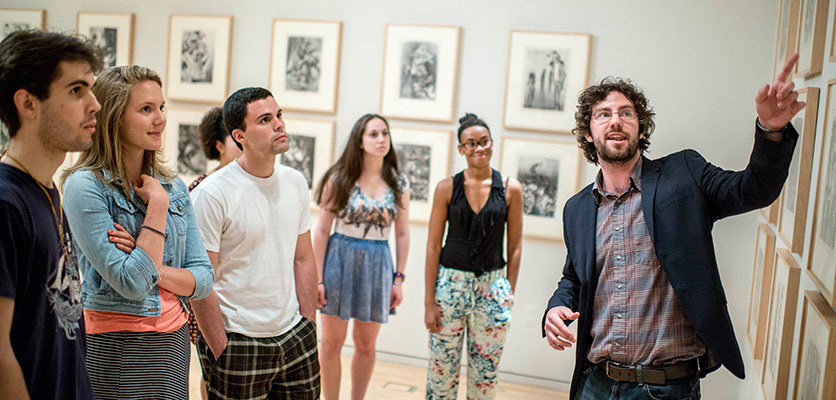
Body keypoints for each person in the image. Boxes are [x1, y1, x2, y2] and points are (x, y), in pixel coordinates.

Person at [542, 55, 805, 400]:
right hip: (597, 385)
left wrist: (771, 130)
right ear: (589, 133)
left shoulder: (685, 174)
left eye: (626, 113)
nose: (615, 121)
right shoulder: (577, 209)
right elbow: (574, 278)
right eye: (603, 115)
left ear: (641, 126)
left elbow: (752, 190)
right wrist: (555, 307)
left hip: (667, 388)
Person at [60, 65, 214, 400]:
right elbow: (130, 284)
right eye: (146, 110)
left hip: (172, 341)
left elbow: (202, 279)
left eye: (161, 108)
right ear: (114, 117)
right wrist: (156, 208)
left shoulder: (172, 185)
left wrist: (149, 266)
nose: (160, 119)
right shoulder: (84, 186)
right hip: (114, 343)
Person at [190, 87, 320, 400]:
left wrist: (308, 326)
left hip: (294, 336)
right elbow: (201, 279)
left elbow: (303, 258)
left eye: (278, 115)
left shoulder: (295, 182)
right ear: (240, 135)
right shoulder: (211, 194)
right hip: (238, 340)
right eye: (264, 119)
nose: (278, 124)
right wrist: (220, 346)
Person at [0, 29, 101, 400]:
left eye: (91, 89)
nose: (95, 104)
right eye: (76, 91)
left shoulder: (48, 190)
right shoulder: (6, 203)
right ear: (27, 103)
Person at [424, 113, 524, 399]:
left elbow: (515, 246)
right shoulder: (446, 188)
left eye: (484, 142)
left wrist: (508, 292)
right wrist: (428, 301)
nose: (479, 148)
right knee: (441, 373)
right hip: (450, 286)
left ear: (492, 144)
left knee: (485, 376)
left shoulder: (510, 189)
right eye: (471, 143)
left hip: (492, 289)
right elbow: (433, 246)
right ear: (461, 149)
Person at [313, 113, 410, 400]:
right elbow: (320, 231)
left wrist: (399, 279)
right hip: (339, 258)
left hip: (378, 262)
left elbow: (403, 234)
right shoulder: (339, 178)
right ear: (360, 141)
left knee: (366, 344)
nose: (381, 140)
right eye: (374, 134)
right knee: (331, 343)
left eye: (385, 134)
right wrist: (317, 278)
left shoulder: (398, 183)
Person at [187, 106, 242, 400]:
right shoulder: (202, 190)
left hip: (245, 305)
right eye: (235, 140)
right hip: (212, 302)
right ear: (219, 145)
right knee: (212, 377)